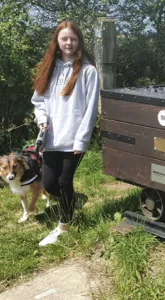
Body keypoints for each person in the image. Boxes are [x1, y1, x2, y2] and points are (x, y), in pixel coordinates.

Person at [31, 21, 99, 246]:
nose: (69, 42)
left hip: (73, 140)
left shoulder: (88, 71)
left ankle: (64, 225)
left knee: (64, 180)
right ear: (57, 42)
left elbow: (90, 108)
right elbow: (38, 101)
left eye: (73, 39)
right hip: (51, 139)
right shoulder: (49, 69)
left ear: (79, 41)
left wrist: (82, 139)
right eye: (64, 38)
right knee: (50, 185)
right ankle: (69, 203)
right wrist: (41, 120)